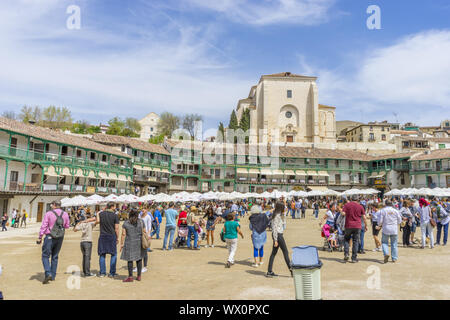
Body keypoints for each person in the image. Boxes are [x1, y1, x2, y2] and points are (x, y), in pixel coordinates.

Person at [37, 201, 70, 284]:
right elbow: (67, 226)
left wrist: (40, 237)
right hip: (60, 237)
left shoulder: (49, 213)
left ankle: (48, 273)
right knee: (55, 256)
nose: (51, 206)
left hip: (49, 236)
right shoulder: (65, 214)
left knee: (45, 255)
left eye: (52, 204)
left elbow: (44, 225)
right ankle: (53, 276)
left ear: (54, 205)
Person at [120, 209, 147, 282]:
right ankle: (139, 276)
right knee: (139, 259)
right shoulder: (141, 221)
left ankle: (130, 277)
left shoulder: (126, 223)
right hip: (139, 242)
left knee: (130, 260)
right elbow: (144, 231)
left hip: (129, 242)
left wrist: (121, 244)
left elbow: (123, 234)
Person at [267, 201, 292, 277]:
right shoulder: (276, 216)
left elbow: (284, 223)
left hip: (279, 234)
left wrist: (284, 214)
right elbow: (274, 228)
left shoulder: (279, 215)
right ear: (280, 208)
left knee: (273, 253)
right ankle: (291, 270)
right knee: (285, 252)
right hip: (278, 235)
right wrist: (275, 240)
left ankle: (269, 271)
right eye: (283, 207)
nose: (285, 208)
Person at [96, 202, 120, 278]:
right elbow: (116, 228)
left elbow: (97, 221)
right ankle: (112, 273)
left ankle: (102, 272)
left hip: (103, 236)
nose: (115, 208)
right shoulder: (115, 215)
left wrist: (98, 213)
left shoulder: (101, 214)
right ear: (112, 207)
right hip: (111, 236)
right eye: (114, 207)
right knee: (113, 254)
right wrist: (117, 237)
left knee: (102, 254)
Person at [342, 196, 368, 263]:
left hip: (348, 225)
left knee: (346, 239)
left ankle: (346, 254)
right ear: (357, 200)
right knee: (356, 241)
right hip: (357, 226)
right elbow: (364, 217)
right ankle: (354, 258)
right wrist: (366, 225)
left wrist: (347, 214)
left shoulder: (347, 205)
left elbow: (343, 213)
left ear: (351, 199)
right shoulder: (360, 206)